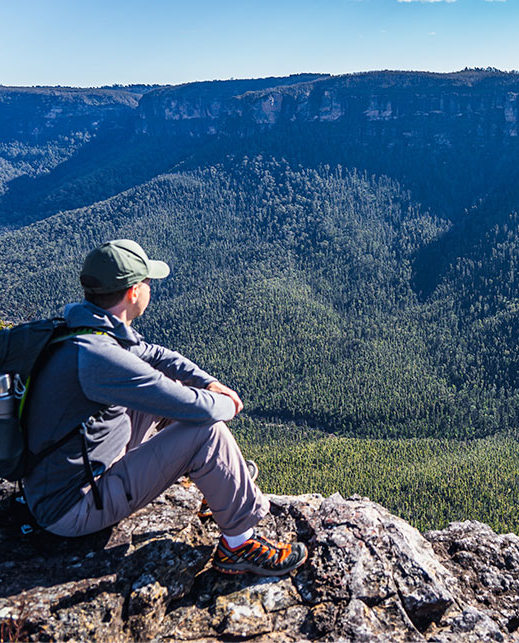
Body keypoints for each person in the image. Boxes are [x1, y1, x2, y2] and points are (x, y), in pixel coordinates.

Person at [21, 239, 307, 576]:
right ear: (132, 293)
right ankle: (239, 544)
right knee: (206, 431)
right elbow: (194, 409)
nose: (150, 288)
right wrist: (226, 404)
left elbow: (156, 356)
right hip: (73, 507)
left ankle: (222, 482)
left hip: (64, 475)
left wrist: (208, 382)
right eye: (147, 282)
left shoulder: (85, 329)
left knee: (182, 398)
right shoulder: (100, 357)